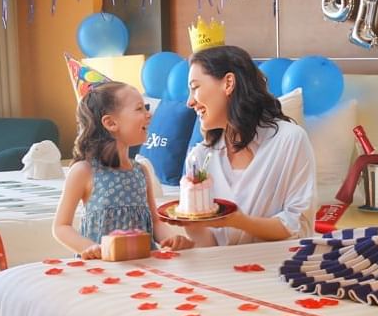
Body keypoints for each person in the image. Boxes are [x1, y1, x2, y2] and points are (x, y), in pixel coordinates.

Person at [182, 45, 317, 246]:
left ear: (228, 83)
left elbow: (301, 226)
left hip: (278, 268)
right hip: (221, 272)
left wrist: (242, 222)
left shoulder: (289, 140)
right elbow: (210, 245)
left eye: (195, 88)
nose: (189, 102)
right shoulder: (200, 157)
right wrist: (190, 227)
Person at [53, 81, 191, 258]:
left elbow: (155, 223)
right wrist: (90, 248)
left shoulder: (140, 171)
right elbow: (61, 226)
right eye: (139, 108)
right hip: (103, 268)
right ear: (111, 123)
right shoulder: (84, 171)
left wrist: (172, 239)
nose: (149, 115)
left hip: (146, 267)